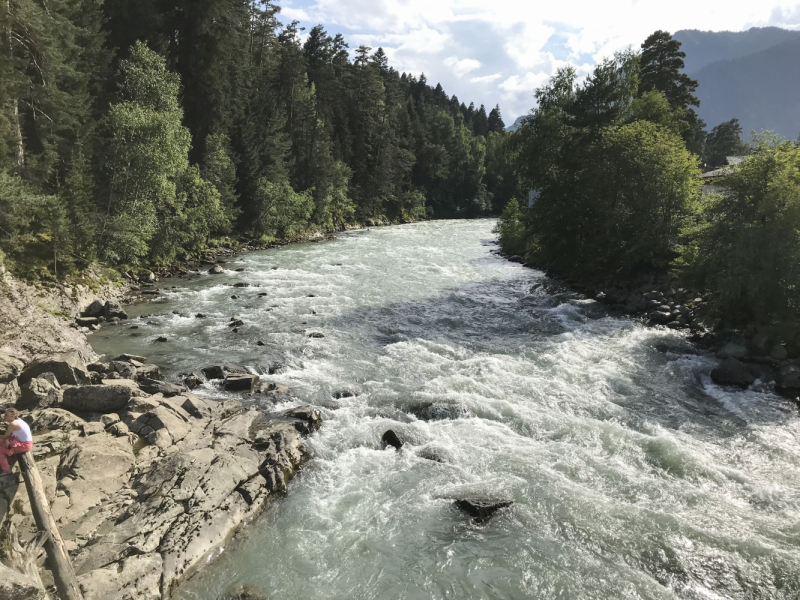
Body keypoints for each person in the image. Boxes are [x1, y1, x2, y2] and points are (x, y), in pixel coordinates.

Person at [0, 408, 33, 474]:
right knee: (1, 441)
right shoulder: (19, 420)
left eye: (6, 415)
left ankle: (6, 470)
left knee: (0, 450)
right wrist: (6, 439)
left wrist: (6, 439)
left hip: (25, 445)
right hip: (20, 440)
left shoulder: (13, 424)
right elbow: (7, 436)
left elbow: (5, 436)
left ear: (12, 417)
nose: (4, 416)